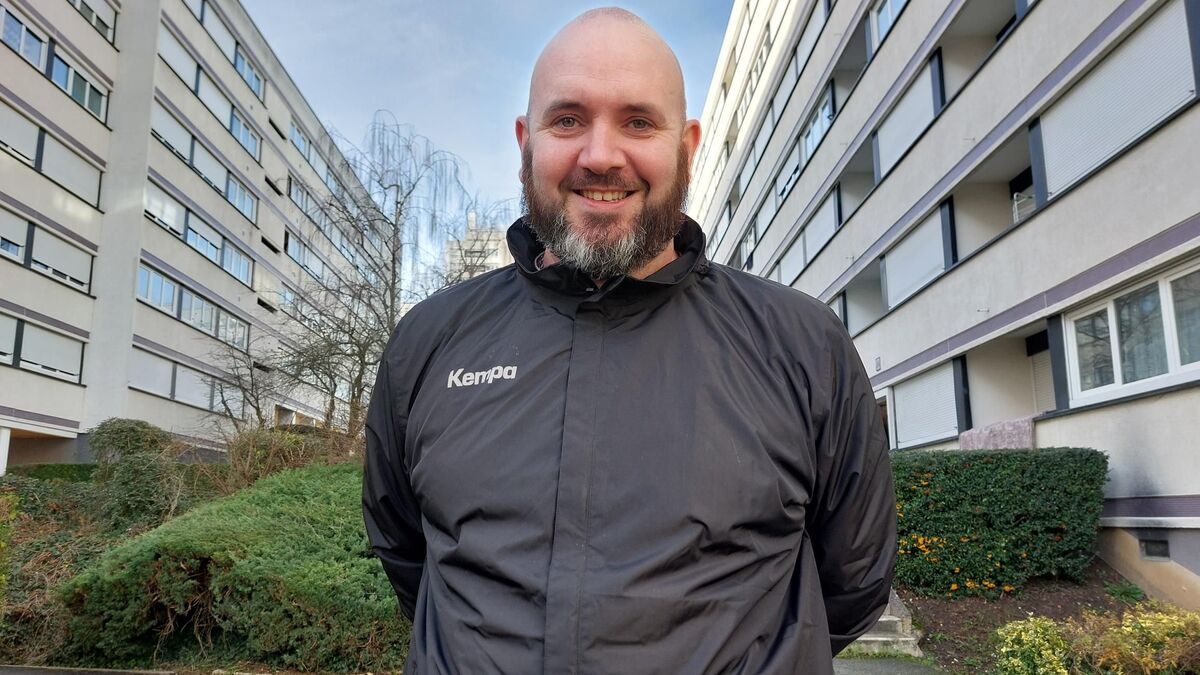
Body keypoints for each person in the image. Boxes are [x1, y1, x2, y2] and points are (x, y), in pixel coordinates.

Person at [363, 7, 896, 674]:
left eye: (638, 121)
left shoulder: (802, 345)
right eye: (568, 120)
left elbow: (852, 581)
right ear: (526, 141)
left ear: (687, 145)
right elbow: (407, 554)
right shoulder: (430, 342)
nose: (601, 155)